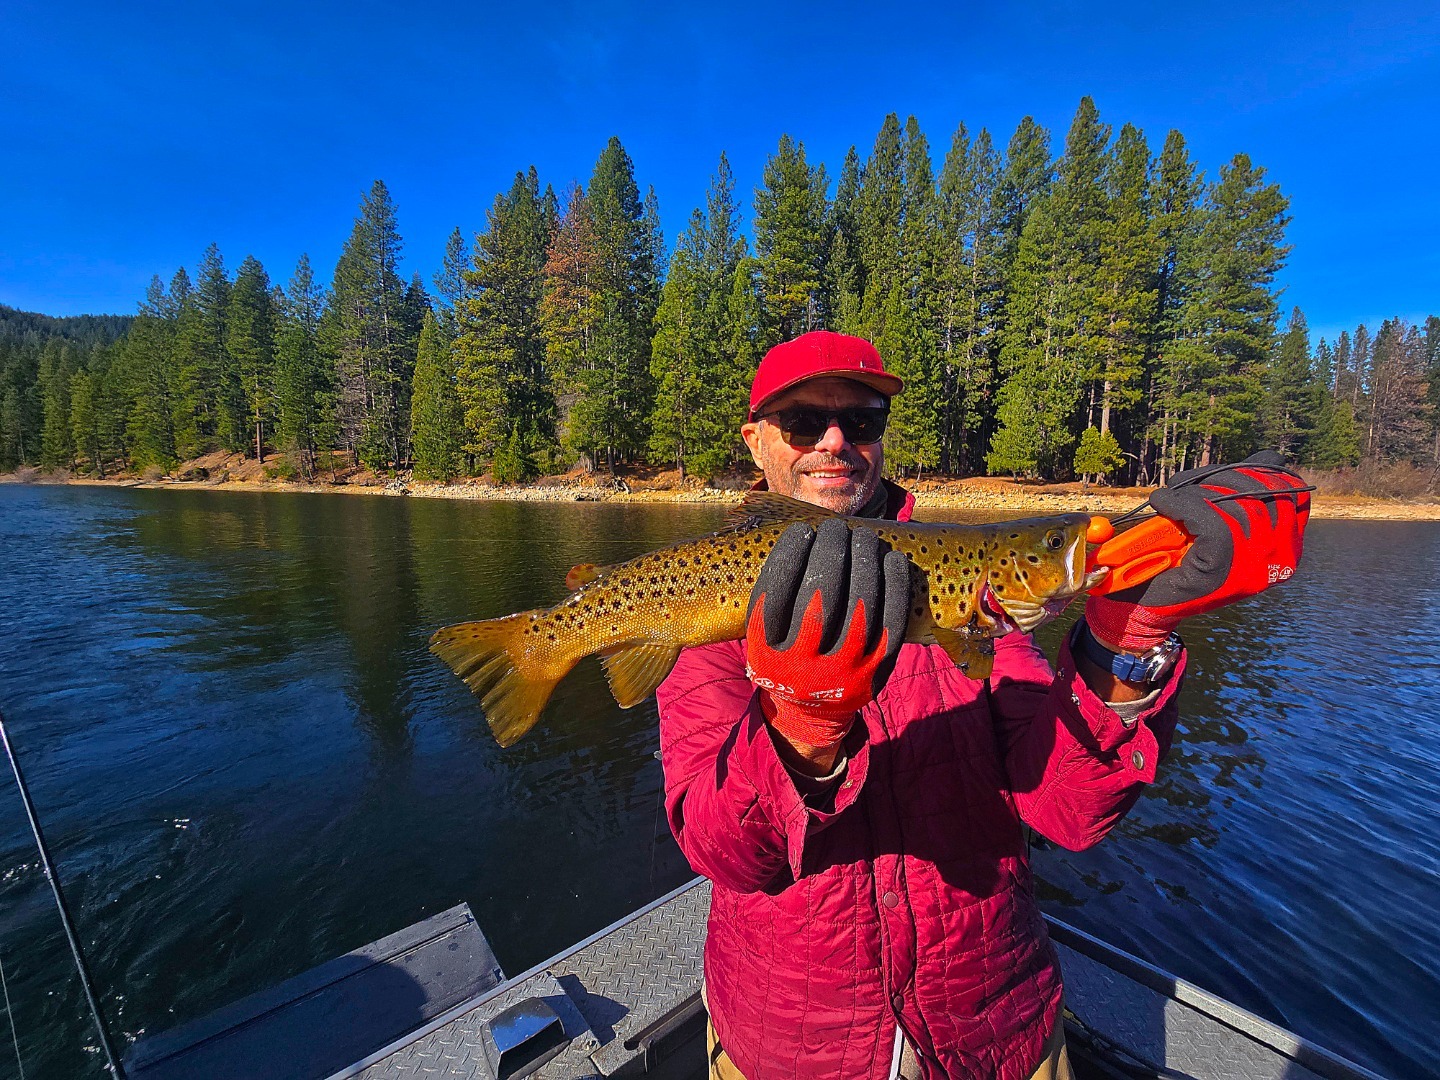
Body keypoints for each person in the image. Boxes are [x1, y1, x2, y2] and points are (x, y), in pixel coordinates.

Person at [656, 330, 1311, 1080]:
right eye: (804, 422)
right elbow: (727, 855)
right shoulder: (707, 613)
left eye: (860, 420)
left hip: (997, 1034)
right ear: (755, 441)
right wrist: (801, 726)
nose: (835, 443)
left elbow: (1070, 810)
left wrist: (1124, 642)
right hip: (790, 1049)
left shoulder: (976, 601)